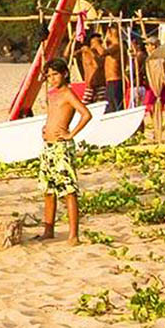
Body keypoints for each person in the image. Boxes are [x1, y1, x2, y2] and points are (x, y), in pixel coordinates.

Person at [37, 58, 93, 245]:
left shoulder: (68, 94)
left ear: (64, 74)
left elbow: (86, 114)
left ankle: (73, 235)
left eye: (55, 74)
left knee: (69, 190)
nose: (52, 79)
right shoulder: (51, 95)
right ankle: (48, 230)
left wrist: (71, 134)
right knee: (48, 189)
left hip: (62, 147)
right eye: (49, 75)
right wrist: (45, 129)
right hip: (49, 146)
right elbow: (53, 116)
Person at [79, 33, 105, 104]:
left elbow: (98, 65)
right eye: (95, 43)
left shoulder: (102, 54)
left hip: (100, 84)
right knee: (85, 105)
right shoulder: (86, 54)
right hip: (90, 86)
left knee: (101, 104)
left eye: (99, 43)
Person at [103, 25, 124, 112]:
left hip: (115, 80)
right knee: (110, 105)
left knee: (115, 105)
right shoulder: (112, 46)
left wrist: (96, 44)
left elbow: (103, 52)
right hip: (110, 81)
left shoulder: (116, 46)